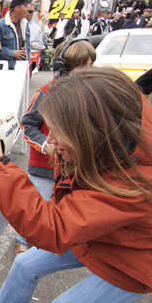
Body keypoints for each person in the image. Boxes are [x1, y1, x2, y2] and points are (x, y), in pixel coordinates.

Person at [0, 66, 152, 303]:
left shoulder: (140, 178)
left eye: (60, 132)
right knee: (24, 263)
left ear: (92, 133)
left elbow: (53, 228)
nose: (52, 140)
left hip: (137, 258)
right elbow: (71, 208)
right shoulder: (111, 130)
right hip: (101, 233)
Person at [18, 39, 96, 254]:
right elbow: (27, 124)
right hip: (43, 169)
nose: (89, 71)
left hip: (72, 171)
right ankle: (22, 241)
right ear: (63, 68)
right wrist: (45, 146)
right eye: (84, 67)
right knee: (34, 213)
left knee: (61, 211)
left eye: (91, 65)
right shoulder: (45, 92)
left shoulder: (87, 93)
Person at [0, 0, 31, 70]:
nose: (27, 9)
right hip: (7, 70)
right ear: (17, 8)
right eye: (25, 6)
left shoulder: (25, 24)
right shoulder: (0, 26)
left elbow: (28, 46)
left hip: (23, 68)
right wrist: (12, 53)